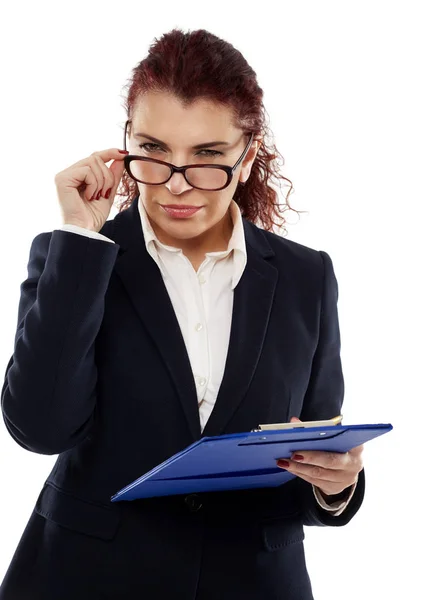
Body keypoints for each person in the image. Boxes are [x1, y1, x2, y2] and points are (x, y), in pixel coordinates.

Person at [0, 27, 364, 600]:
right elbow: (40, 429)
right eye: (153, 151)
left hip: (252, 583)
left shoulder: (305, 276)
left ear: (246, 157)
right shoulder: (74, 257)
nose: (176, 184)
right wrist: (81, 238)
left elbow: (307, 451)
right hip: (88, 579)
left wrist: (334, 485)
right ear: (126, 144)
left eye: (208, 156)